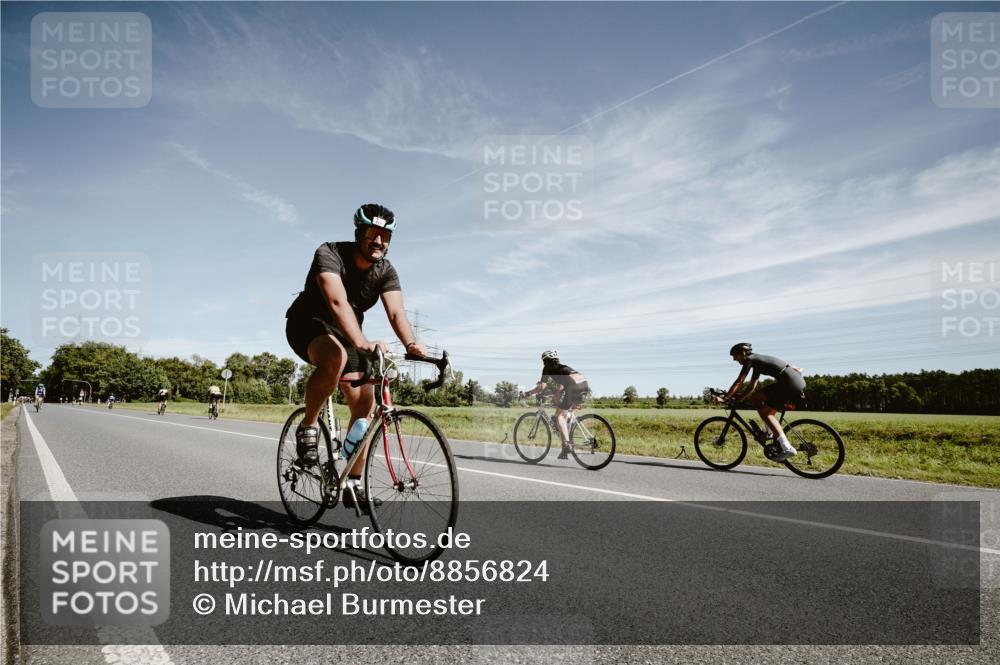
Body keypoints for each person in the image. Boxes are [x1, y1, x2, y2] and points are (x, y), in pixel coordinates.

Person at [284, 203, 426, 510]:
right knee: (334, 356)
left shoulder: (385, 270)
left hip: (349, 336)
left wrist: (412, 344)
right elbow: (336, 302)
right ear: (358, 232)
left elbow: (396, 312)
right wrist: (362, 341)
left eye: (385, 235)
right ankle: (308, 426)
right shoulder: (330, 253)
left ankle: (351, 480)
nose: (379, 241)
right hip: (308, 325)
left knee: (367, 403)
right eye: (372, 233)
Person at [716, 343, 805, 461]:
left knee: (766, 413)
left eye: (735, 356)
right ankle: (769, 432)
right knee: (756, 399)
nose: (734, 359)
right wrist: (740, 399)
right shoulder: (757, 362)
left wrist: (726, 398)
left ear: (743, 353)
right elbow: (752, 387)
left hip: (788, 383)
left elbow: (739, 381)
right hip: (796, 381)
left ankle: (787, 447)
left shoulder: (750, 359)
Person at [526, 351, 590, 459]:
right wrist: (556, 394)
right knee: (564, 412)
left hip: (573, 387)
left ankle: (566, 445)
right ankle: (564, 449)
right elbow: (562, 384)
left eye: (543, 361)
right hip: (584, 385)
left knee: (559, 416)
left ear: (546, 360)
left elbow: (541, 387)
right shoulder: (561, 368)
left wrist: (528, 393)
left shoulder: (547, 368)